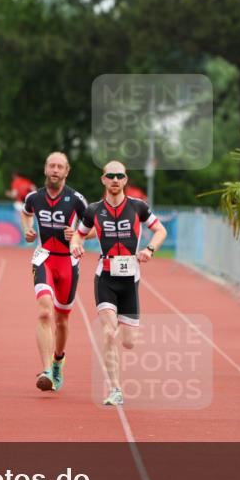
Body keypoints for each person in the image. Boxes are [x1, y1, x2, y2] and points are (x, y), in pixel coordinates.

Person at [70, 160, 167, 406]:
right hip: (105, 278)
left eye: (120, 176)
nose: (115, 180)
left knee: (129, 341)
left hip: (130, 280)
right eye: (110, 176)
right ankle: (115, 389)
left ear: (125, 180)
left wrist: (150, 249)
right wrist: (76, 246)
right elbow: (79, 234)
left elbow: (160, 231)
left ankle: (129, 331)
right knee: (109, 334)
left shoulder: (138, 207)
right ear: (103, 179)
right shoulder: (93, 210)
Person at [21, 152, 88, 392]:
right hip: (44, 259)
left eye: (60, 167)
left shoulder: (76, 199)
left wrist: (78, 235)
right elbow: (26, 213)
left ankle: (58, 359)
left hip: (68, 262)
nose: (55, 170)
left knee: (62, 319)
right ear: (45, 169)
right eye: (52, 166)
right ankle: (46, 370)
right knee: (43, 310)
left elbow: (91, 226)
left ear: (66, 171)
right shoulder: (34, 197)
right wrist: (28, 231)